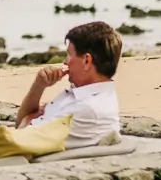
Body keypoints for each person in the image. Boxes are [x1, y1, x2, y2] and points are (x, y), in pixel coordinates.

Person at [15, 21, 122, 150]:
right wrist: (39, 85)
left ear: (87, 61)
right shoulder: (84, 96)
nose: (65, 62)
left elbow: (17, 138)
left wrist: (27, 119)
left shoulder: (84, 109)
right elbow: (20, 126)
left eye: (69, 55)